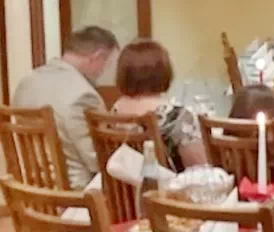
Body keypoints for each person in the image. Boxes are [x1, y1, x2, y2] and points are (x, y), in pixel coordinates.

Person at [13, 26, 119, 188]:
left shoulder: (26, 82)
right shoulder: (84, 96)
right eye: (106, 64)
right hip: (74, 191)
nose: (102, 72)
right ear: (97, 57)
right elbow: (97, 159)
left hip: (31, 187)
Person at [111, 39, 207, 171]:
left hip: (122, 183)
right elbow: (200, 167)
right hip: (165, 183)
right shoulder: (178, 117)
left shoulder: (114, 111)